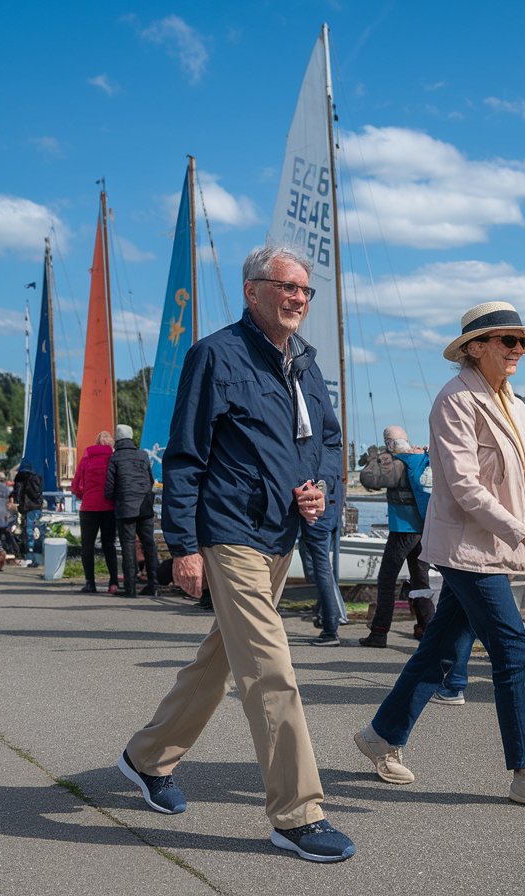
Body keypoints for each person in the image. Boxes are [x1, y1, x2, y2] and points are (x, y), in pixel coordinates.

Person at [115, 245, 354, 862]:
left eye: (305, 289)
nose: (299, 297)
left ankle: (145, 758)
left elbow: (328, 439)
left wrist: (323, 486)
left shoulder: (304, 361)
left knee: (219, 661)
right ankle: (297, 815)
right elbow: (185, 457)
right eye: (287, 287)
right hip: (230, 533)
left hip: (280, 535)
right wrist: (185, 548)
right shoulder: (215, 356)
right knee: (271, 671)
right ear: (253, 291)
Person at [354, 300, 525, 811]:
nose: (520, 350)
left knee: (439, 650)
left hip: (497, 543)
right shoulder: (454, 400)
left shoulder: (515, 404)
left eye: (524, 342)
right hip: (464, 547)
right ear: (475, 347)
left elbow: (523, 487)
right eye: (510, 341)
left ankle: (380, 736)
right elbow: (462, 486)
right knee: (510, 651)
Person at [358, 426, 434, 648]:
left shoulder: (397, 464)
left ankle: (379, 633)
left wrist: (375, 457)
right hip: (423, 529)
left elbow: (369, 479)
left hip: (403, 530)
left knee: (386, 580)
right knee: (421, 581)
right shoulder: (422, 459)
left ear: (390, 443)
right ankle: (427, 629)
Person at [104, 424, 158, 598]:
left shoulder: (115, 458)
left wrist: (114, 498)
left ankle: (130, 588)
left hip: (125, 507)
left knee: (128, 547)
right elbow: (150, 481)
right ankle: (153, 585)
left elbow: (109, 487)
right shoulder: (142, 455)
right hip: (145, 506)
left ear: (117, 439)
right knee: (149, 545)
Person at [297, 474, 347, 645]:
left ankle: (330, 626)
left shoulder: (315, 457)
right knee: (322, 570)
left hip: (316, 517)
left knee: (320, 571)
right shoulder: (333, 456)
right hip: (330, 515)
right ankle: (326, 616)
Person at [72, 430, 120, 595]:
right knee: (109, 545)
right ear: (111, 444)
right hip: (108, 507)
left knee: (87, 546)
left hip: (89, 507)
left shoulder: (86, 459)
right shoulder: (113, 459)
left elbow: (76, 484)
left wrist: (84, 495)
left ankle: (90, 583)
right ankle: (113, 582)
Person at [11, 464, 44, 568]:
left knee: (29, 531)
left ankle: (30, 557)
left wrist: (17, 502)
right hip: (37, 506)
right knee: (37, 532)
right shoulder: (38, 477)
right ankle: (37, 557)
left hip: (27, 507)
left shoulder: (21, 478)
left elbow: (18, 492)